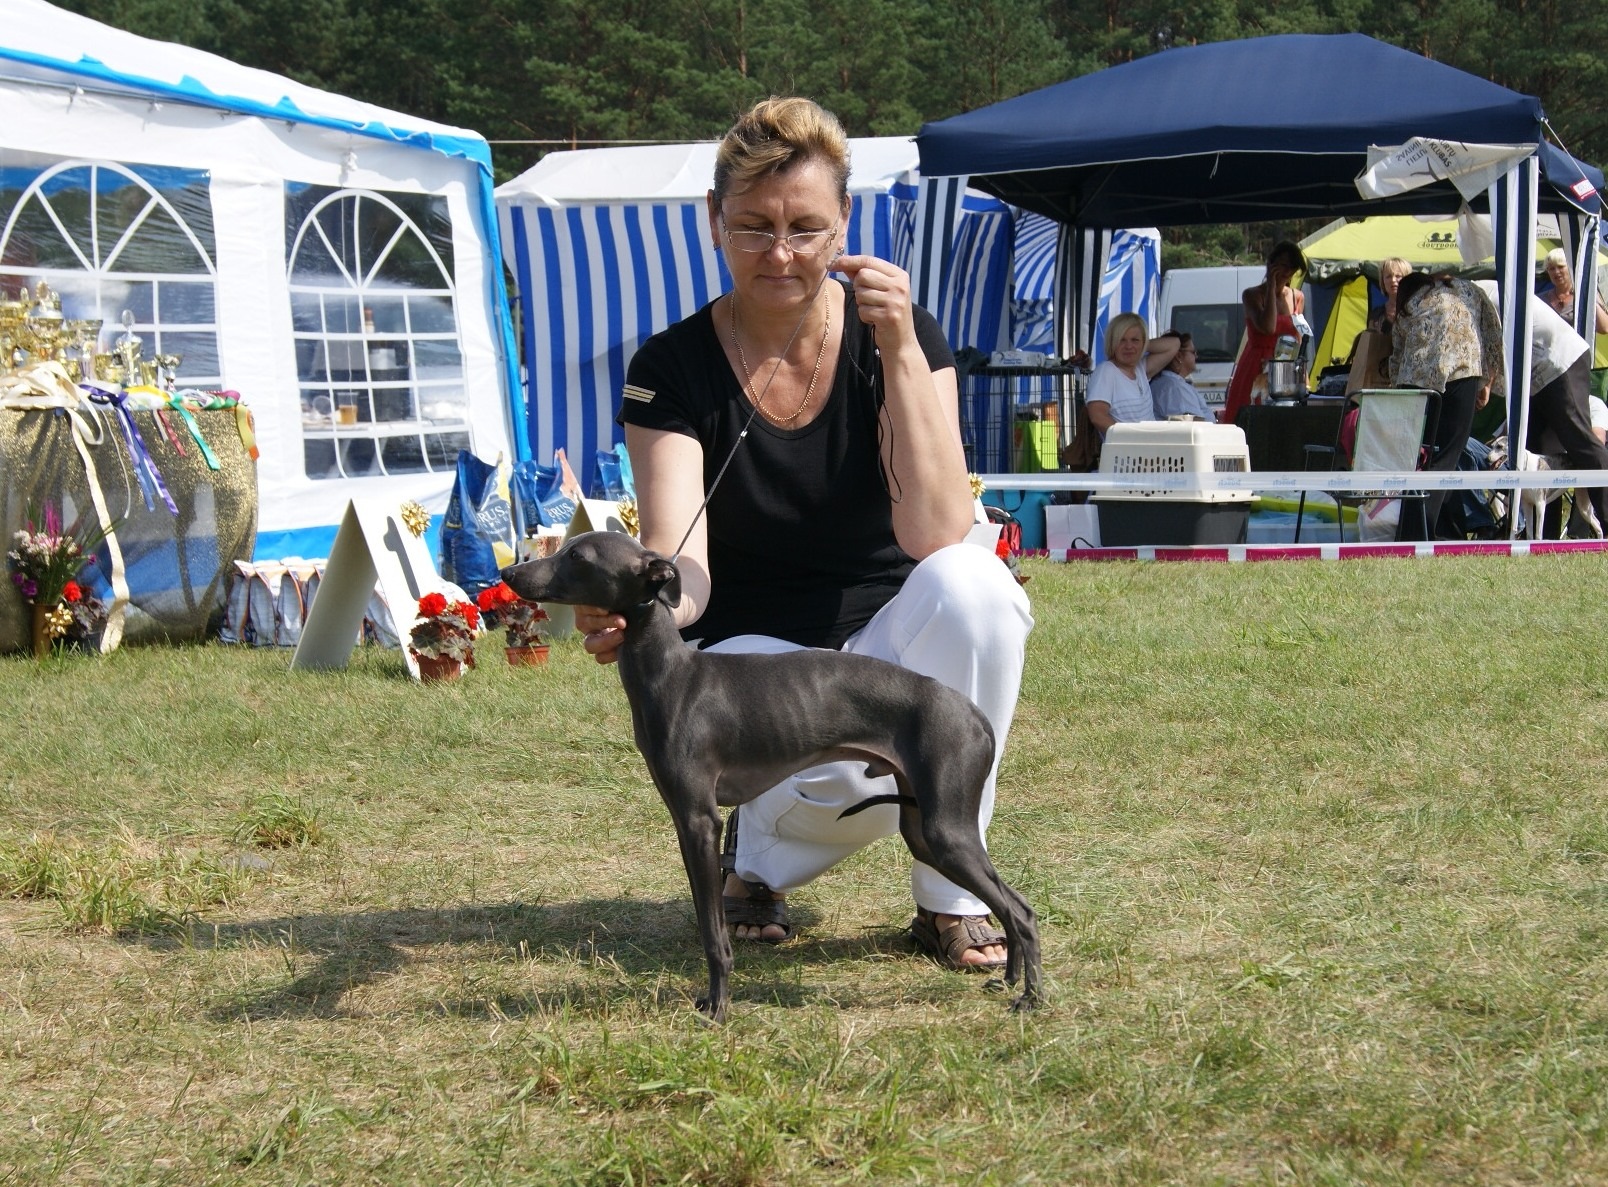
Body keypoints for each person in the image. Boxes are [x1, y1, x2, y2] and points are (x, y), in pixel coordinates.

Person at [584, 96, 1034, 971]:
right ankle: (758, 861)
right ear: (714, 220)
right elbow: (683, 560)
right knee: (801, 745)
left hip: (884, 642)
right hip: (750, 661)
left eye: (805, 228)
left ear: (845, 225)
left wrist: (900, 351)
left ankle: (950, 897)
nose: (781, 253)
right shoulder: (670, 367)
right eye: (753, 226)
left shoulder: (903, 336)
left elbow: (939, 530)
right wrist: (643, 609)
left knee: (976, 588)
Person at [1389, 272, 1505, 538]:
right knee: (1447, 458)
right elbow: (1493, 336)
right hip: (1461, 374)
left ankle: (1422, 532)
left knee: (1420, 459)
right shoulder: (1469, 290)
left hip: (1415, 381)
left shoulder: (1411, 301)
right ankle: (1424, 533)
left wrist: (1395, 390)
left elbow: (1397, 350)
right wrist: (1487, 383)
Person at [1223, 241, 1305, 426]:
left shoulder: (1297, 297)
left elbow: (1298, 336)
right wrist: (1271, 288)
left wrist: (1300, 370)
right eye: (1283, 265)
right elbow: (1268, 327)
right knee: (1253, 421)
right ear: (1271, 264)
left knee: (1285, 424)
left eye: (1292, 267)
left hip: (1286, 367)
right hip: (1257, 366)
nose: (1288, 271)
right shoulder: (1251, 295)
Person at [1084, 313, 1179, 434]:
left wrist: (1142, 345)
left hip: (1148, 442)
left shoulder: (1140, 368)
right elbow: (1098, 416)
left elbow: (1174, 344)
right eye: (1121, 340)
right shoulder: (1106, 371)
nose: (1128, 346)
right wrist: (1130, 438)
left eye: (1135, 340)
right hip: (1128, 445)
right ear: (1112, 343)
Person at [1148, 330, 1216, 421]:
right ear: (1178, 356)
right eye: (1193, 352)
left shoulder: (1171, 384)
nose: (1196, 356)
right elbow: (1190, 423)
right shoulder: (1174, 387)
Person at [1368, 256, 1414, 331]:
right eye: (1388, 276)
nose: (1393, 280)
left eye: (1398, 276)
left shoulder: (1417, 310)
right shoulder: (1377, 314)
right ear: (1382, 281)